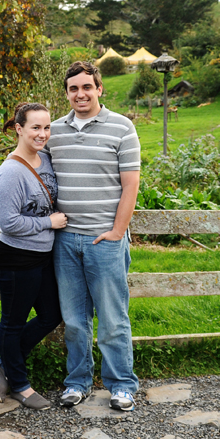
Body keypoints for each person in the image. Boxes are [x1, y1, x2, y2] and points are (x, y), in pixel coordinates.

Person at [47, 61, 141, 412]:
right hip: (66, 241)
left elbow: (131, 184)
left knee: (113, 319)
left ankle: (121, 385)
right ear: (67, 93)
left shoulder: (121, 127)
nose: (80, 94)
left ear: (99, 88)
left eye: (87, 87)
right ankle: (77, 382)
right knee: (73, 319)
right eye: (73, 88)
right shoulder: (54, 131)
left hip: (106, 240)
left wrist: (117, 232)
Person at [0, 102, 67, 410]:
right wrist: (49, 222)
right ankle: (20, 385)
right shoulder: (10, 172)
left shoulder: (46, 159)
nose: (42, 134)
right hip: (15, 259)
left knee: (52, 314)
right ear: (19, 129)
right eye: (35, 127)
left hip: (41, 258)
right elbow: (7, 222)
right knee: (13, 321)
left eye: (47, 127)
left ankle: (8, 362)